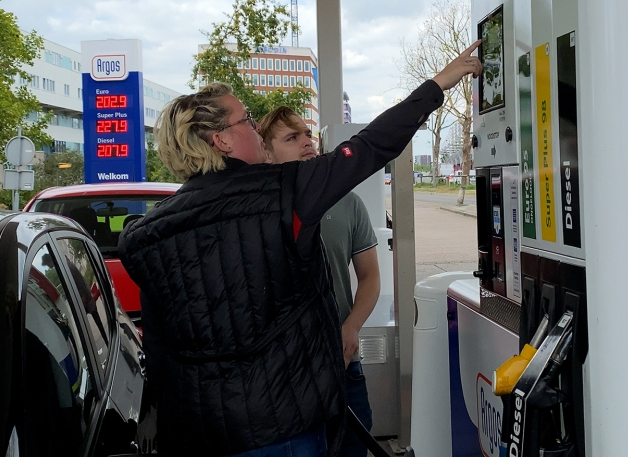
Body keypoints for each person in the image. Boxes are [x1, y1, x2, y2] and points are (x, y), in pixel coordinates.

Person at [118, 42, 482, 457]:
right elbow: (370, 146)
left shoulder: (148, 235)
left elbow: (161, 351)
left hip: (200, 432)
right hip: (285, 426)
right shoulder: (286, 191)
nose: (255, 129)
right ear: (220, 139)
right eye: (248, 121)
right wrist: (438, 85)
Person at [258, 107, 379, 457]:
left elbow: (370, 277)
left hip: (343, 362)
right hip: (284, 374)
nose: (307, 143)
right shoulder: (258, 208)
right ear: (266, 152)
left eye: (307, 134)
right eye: (292, 138)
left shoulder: (348, 203)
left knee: (354, 447)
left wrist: (352, 328)